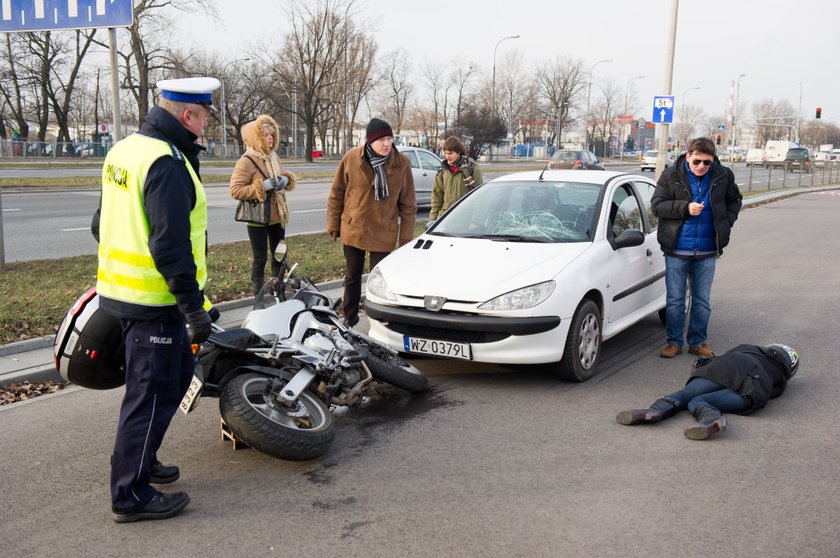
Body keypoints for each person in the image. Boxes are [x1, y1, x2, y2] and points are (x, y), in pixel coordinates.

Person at [96, 76, 219, 523]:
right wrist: (193, 306)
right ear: (187, 115)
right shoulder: (167, 161)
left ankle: (143, 462)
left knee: (172, 383)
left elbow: (100, 220)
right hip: (156, 302)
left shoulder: (125, 150)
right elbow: (170, 245)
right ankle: (130, 495)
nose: (206, 124)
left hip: (126, 294)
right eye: (204, 116)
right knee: (149, 395)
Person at [651, 137, 742, 359]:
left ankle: (697, 342)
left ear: (713, 160)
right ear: (688, 156)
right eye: (697, 161)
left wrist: (726, 221)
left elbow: (735, 200)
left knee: (702, 300)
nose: (701, 166)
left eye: (707, 162)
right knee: (675, 301)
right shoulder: (671, 176)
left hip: (707, 250)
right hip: (677, 249)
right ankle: (674, 343)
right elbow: (657, 206)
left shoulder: (723, 175)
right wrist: (685, 207)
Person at [326, 118, 417, 327]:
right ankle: (349, 317)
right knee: (352, 276)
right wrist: (333, 223)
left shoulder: (402, 164)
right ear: (369, 141)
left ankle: (379, 320)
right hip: (354, 227)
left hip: (383, 230)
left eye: (389, 138)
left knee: (379, 280)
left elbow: (409, 206)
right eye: (381, 140)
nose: (387, 144)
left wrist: (405, 239)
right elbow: (337, 193)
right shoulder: (351, 158)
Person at [616, 343, 799, 440]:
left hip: (723, 367)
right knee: (699, 402)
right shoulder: (780, 378)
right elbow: (770, 394)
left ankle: (653, 411)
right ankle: (711, 420)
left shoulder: (746, 347)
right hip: (754, 382)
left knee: (684, 395)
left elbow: (722, 357)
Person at [230, 115, 297, 296]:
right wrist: (262, 187)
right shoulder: (246, 161)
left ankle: (278, 290)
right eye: (265, 135)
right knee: (260, 258)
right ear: (255, 138)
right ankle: (258, 295)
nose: (271, 138)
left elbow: (281, 175)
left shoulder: (273, 156)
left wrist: (285, 180)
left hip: (277, 216)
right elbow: (236, 190)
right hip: (257, 217)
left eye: (272, 134)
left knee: (280, 254)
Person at [429, 136, 484, 221]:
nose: (447, 156)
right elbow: (437, 198)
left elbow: (480, 198)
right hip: (446, 218)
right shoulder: (442, 171)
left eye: (450, 153)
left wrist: (475, 222)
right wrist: (432, 220)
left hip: (466, 218)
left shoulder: (472, 169)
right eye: (445, 153)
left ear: (459, 152)